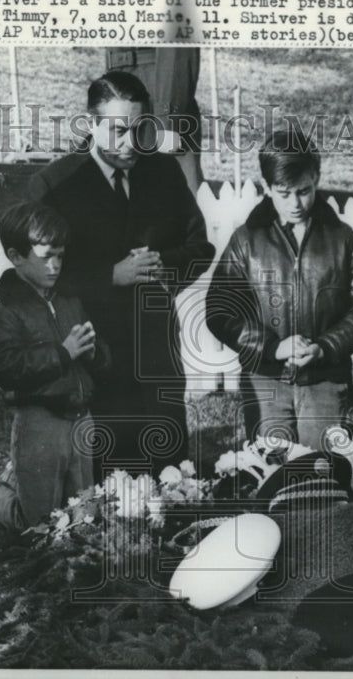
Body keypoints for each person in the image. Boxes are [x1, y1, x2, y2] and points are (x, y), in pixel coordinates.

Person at [28, 70, 215, 475]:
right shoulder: (55, 185)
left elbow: (200, 248)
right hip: (98, 355)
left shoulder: (163, 173)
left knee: (170, 475)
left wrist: (162, 266)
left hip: (158, 350)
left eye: (139, 129)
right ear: (90, 124)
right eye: (116, 131)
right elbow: (38, 275)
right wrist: (110, 275)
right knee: (112, 483)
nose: (130, 143)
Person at [205, 129, 353, 451]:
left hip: (326, 380)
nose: (295, 204)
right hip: (265, 381)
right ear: (266, 187)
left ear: (316, 178)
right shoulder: (245, 241)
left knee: (322, 473)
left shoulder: (343, 240)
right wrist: (272, 348)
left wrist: (325, 347)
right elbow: (220, 311)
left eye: (304, 191)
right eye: (283, 193)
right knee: (270, 472)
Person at [0, 203, 110, 530]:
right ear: (16, 255)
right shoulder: (8, 308)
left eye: (61, 256)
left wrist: (94, 353)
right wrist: (63, 353)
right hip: (39, 421)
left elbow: (102, 354)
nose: (55, 265)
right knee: (35, 523)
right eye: (46, 255)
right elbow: (4, 366)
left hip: (80, 419)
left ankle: (13, 475)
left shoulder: (68, 299)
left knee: (85, 517)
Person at [105, 47, 205, 195]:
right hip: (122, 85)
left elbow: (176, 46)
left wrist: (168, 119)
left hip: (157, 89)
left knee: (176, 198)